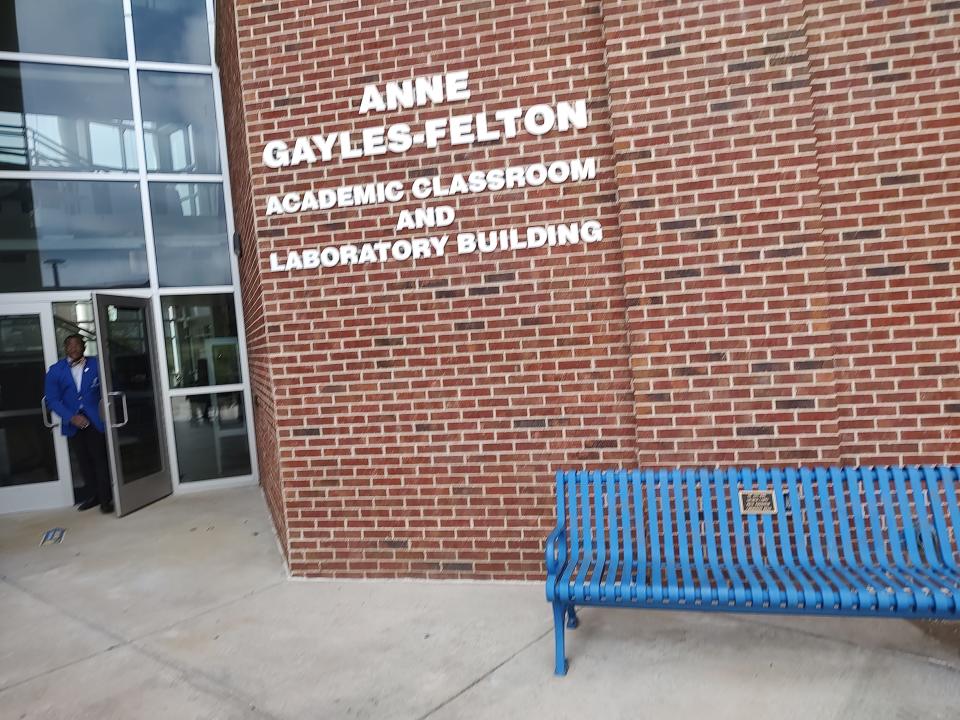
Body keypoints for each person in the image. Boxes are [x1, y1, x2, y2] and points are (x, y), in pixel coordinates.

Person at [44, 334, 114, 513]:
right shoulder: (55, 370)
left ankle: (107, 499)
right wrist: (71, 417)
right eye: (69, 345)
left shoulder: (98, 364)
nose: (73, 348)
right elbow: (52, 400)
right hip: (73, 421)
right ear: (65, 348)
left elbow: (110, 388)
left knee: (100, 459)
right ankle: (94, 496)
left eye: (77, 345)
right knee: (83, 461)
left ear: (83, 346)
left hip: (95, 419)